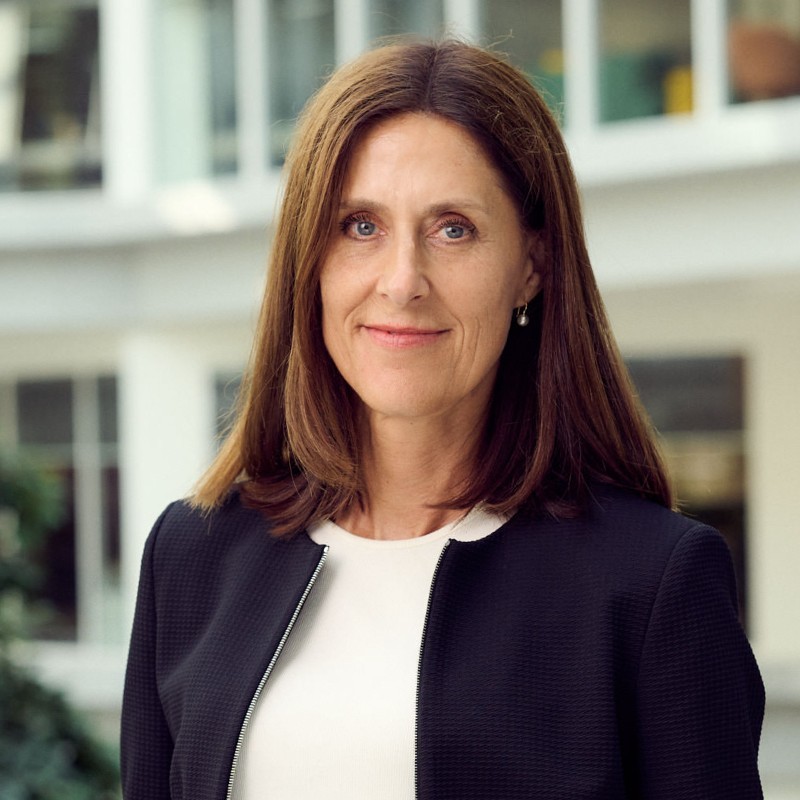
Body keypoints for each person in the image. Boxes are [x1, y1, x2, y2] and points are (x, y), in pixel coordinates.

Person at [121, 40, 764, 800]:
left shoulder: (653, 582)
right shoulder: (192, 555)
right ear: (309, 261)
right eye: (360, 226)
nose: (402, 282)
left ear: (532, 266)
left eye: (453, 228)